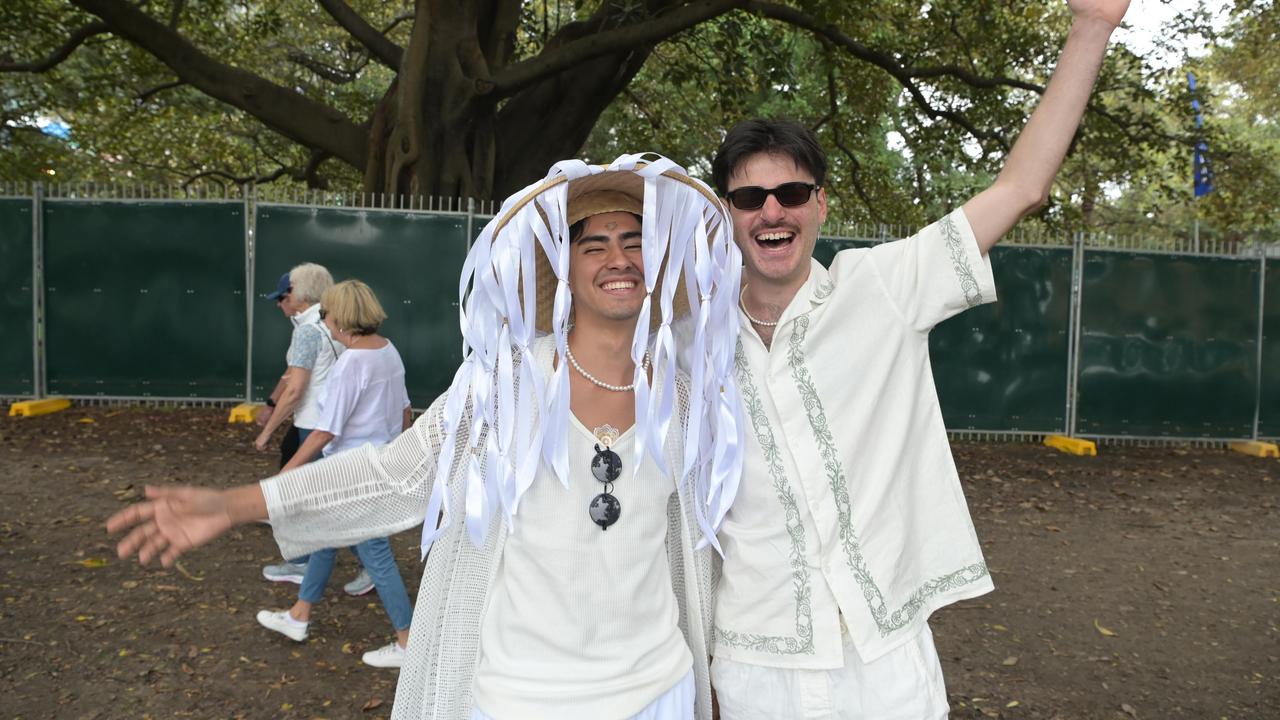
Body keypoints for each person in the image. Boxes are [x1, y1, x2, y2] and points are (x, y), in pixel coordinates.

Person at [107, 154, 744, 719]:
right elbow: (394, 475)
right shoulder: (504, 384)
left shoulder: (684, 401)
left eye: (635, 242)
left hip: (657, 688)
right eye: (595, 244)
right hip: (518, 695)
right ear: (566, 268)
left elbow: (700, 549)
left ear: (657, 264)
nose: (618, 260)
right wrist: (236, 503)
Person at [700, 2, 1133, 718]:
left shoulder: (884, 288)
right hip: (753, 663)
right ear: (727, 212)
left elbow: (1020, 189)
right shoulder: (690, 338)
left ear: (821, 206)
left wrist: (1092, 27)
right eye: (750, 196)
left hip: (885, 657)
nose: (771, 211)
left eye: (792, 193)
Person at [256, 279, 416, 668]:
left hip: (351, 472)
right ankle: (299, 615)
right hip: (375, 464)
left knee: (376, 555)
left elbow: (328, 430)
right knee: (327, 539)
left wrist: (288, 472)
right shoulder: (387, 351)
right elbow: (405, 411)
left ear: (340, 317)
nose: (323, 319)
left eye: (326, 313)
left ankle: (409, 642)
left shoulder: (352, 363)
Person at [255, 263, 372, 596]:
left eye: (285, 293)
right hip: (331, 424)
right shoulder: (332, 322)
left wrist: (267, 430)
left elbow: (296, 387)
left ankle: (364, 564)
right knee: (321, 498)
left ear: (299, 294)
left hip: (314, 426)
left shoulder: (309, 329)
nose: (280, 302)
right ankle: (308, 560)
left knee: (324, 501)